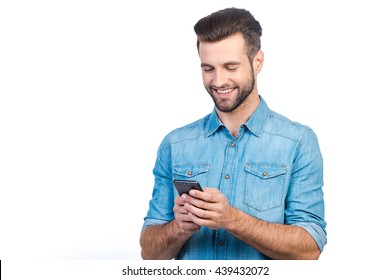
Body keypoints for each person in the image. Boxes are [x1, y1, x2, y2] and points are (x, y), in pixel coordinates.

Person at [140, 7, 327, 260]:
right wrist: (178, 228)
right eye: (208, 69)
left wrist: (232, 219)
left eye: (230, 67)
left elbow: (309, 249)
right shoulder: (175, 144)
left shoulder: (299, 142)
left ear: (257, 62)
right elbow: (149, 253)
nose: (218, 81)